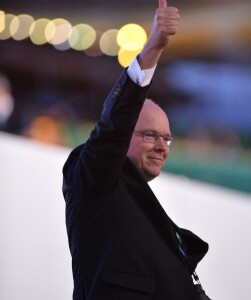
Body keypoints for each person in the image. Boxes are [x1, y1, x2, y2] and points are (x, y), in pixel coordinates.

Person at [62, 1, 211, 299]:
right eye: (151, 135)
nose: (161, 147)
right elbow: (113, 125)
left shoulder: (139, 207)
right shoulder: (93, 178)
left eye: (166, 139)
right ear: (125, 134)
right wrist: (152, 49)